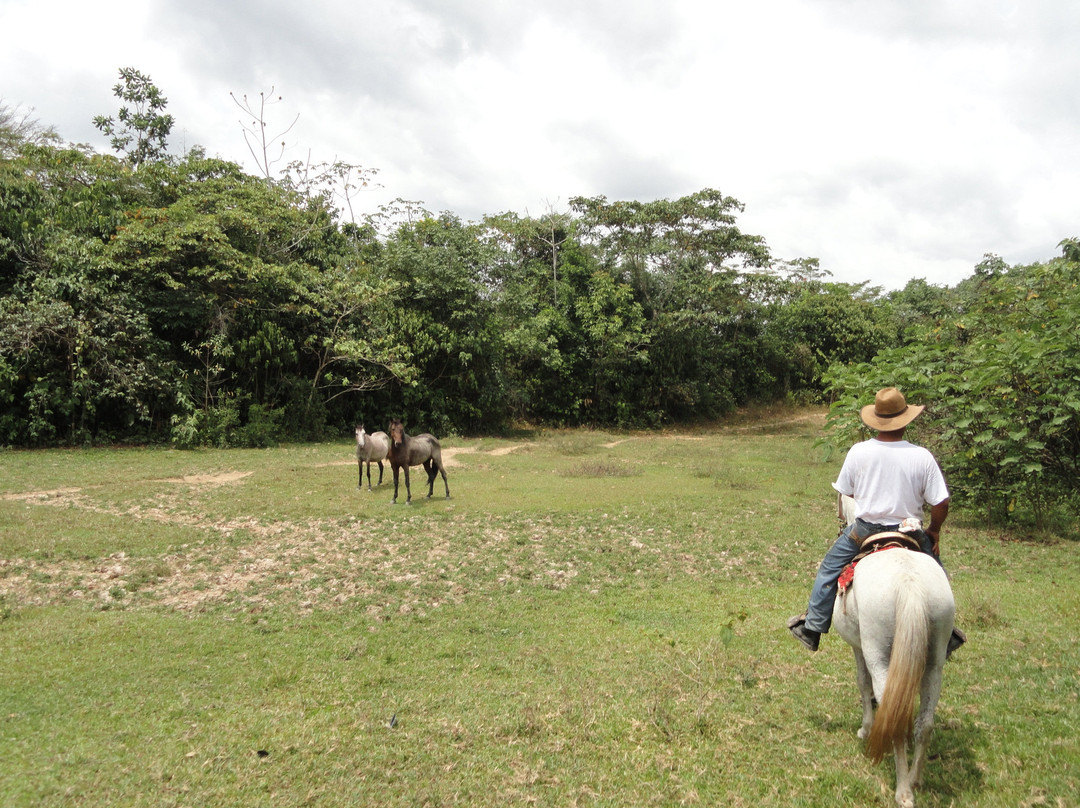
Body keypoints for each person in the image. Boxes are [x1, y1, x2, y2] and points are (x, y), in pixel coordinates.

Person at [788, 387, 966, 656]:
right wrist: (934, 530)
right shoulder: (922, 456)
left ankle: (812, 627)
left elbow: (847, 492)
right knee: (937, 572)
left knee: (829, 567)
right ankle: (947, 631)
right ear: (906, 421)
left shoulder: (859, 452)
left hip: (865, 531)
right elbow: (941, 503)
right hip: (911, 530)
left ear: (877, 420)